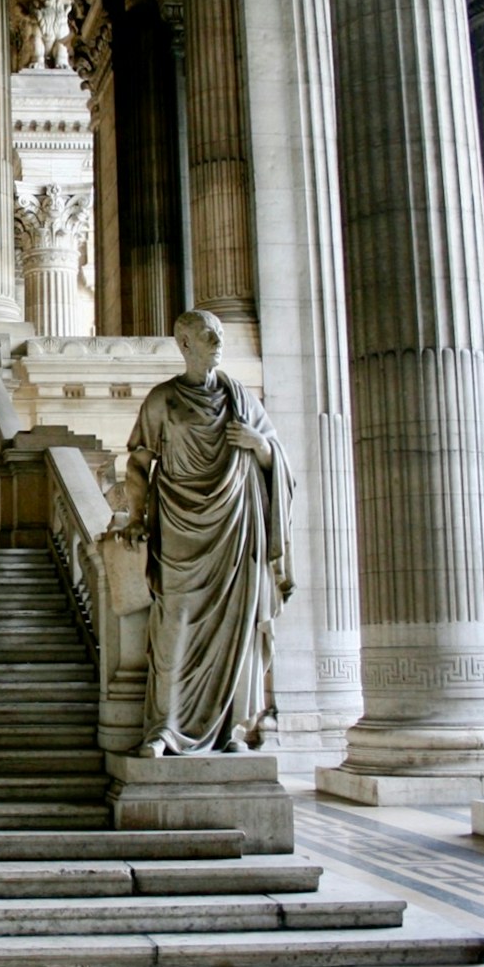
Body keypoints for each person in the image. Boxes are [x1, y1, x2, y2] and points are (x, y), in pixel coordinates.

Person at [123, 309, 294, 756]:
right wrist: (135, 517)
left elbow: (277, 459)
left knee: (236, 631)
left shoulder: (241, 399)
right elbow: (139, 463)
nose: (218, 342)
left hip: (235, 530)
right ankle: (165, 728)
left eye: (219, 334)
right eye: (207, 335)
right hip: (179, 530)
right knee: (174, 628)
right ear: (184, 344)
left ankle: (232, 730)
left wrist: (260, 446)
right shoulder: (162, 399)